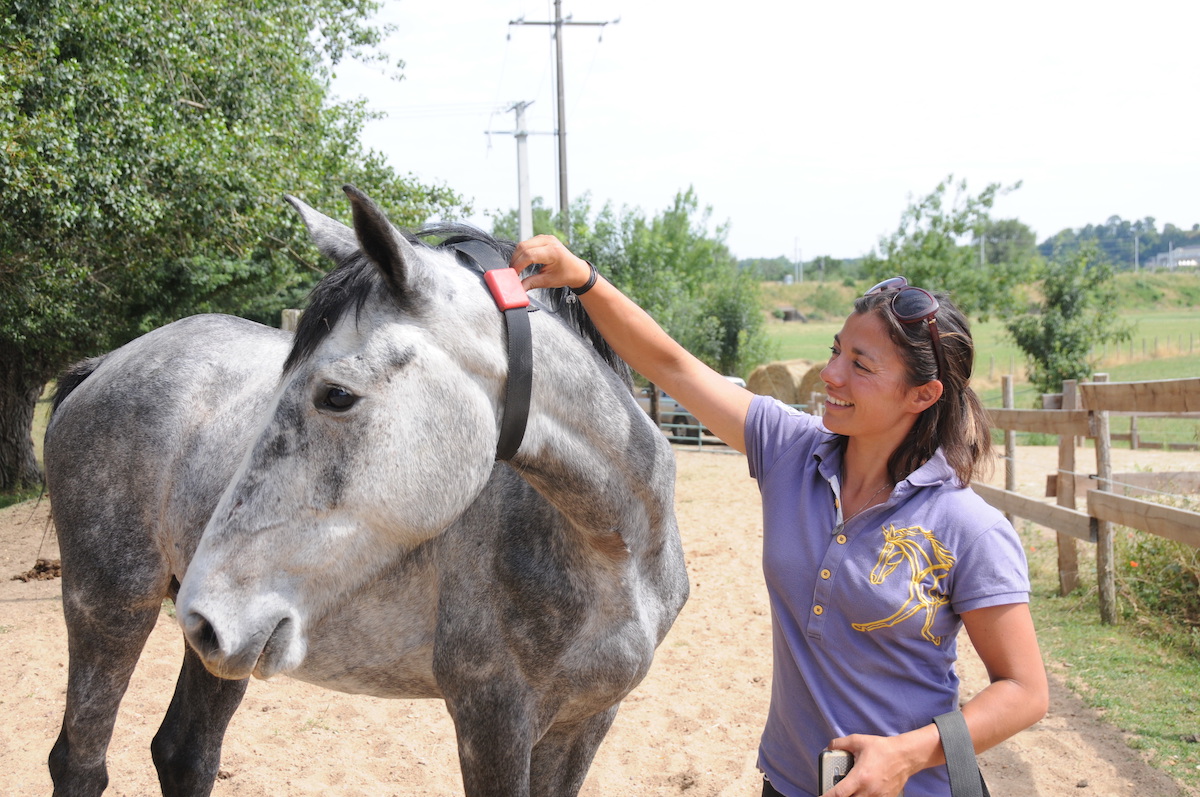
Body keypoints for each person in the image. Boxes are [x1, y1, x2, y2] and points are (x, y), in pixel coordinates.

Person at [511, 237, 1049, 797]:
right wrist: (582, 279)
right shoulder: (791, 452)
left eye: (860, 365)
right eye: (836, 350)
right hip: (791, 782)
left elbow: (1026, 690)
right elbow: (674, 365)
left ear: (922, 395)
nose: (830, 375)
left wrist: (905, 755)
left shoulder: (970, 527)